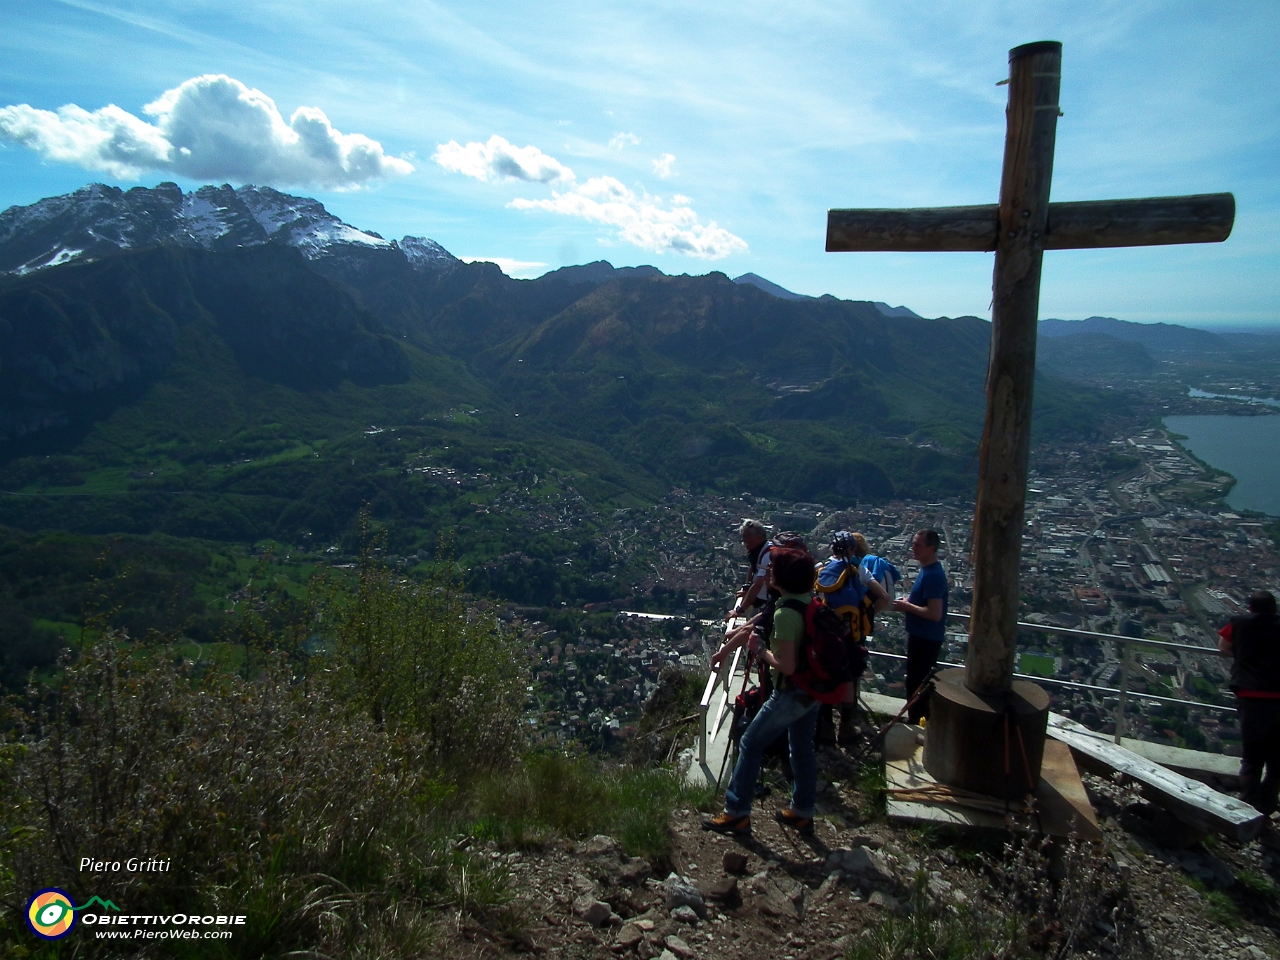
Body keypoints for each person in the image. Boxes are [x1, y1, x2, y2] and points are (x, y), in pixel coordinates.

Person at [704, 547, 822, 837]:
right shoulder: (809, 601)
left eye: (773, 570)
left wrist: (761, 651)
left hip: (790, 692)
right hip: (813, 689)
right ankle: (803, 811)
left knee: (751, 743)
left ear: (784, 577)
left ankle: (737, 812)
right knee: (801, 747)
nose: (768, 573)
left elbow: (787, 665)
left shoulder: (784, 613)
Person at [814, 532, 891, 744]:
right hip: (851, 632)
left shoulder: (821, 569)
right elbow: (884, 597)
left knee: (826, 673)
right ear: (851, 549)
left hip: (827, 631)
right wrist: (866, 615)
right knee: (848, 676)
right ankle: (846, 727)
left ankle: (826, 727)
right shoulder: (858, 571)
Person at [1218, 590, 1280, 816]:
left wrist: (1244, 653)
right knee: (1276, 759)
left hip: (1251, 697)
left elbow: (1223, 646)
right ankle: (1268, 805)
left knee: (1252, 756)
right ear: (1274, 608)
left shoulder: (1240, 623)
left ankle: (1248, 807)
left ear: (1250, 608)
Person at [891, 529, 948, 724]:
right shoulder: (927, 571)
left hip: (926, 638)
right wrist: (908, 603)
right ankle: (917, 719)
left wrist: (906, 606)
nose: (912, 548)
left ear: (931, 549)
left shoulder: (932, 575)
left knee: (917, 683)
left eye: (918, 545)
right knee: (915, 681)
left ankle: (918, 722)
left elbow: (934, 613)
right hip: (922, 636)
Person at [728, 519, 773, 621]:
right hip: (765, 599)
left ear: (757, 538)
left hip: (771, 601)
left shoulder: (768, 556)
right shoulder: (760, 551)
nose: (743, 540)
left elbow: (758, 584)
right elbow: (753, 567)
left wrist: (739, 610)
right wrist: (747, 587)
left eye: (746, 537)